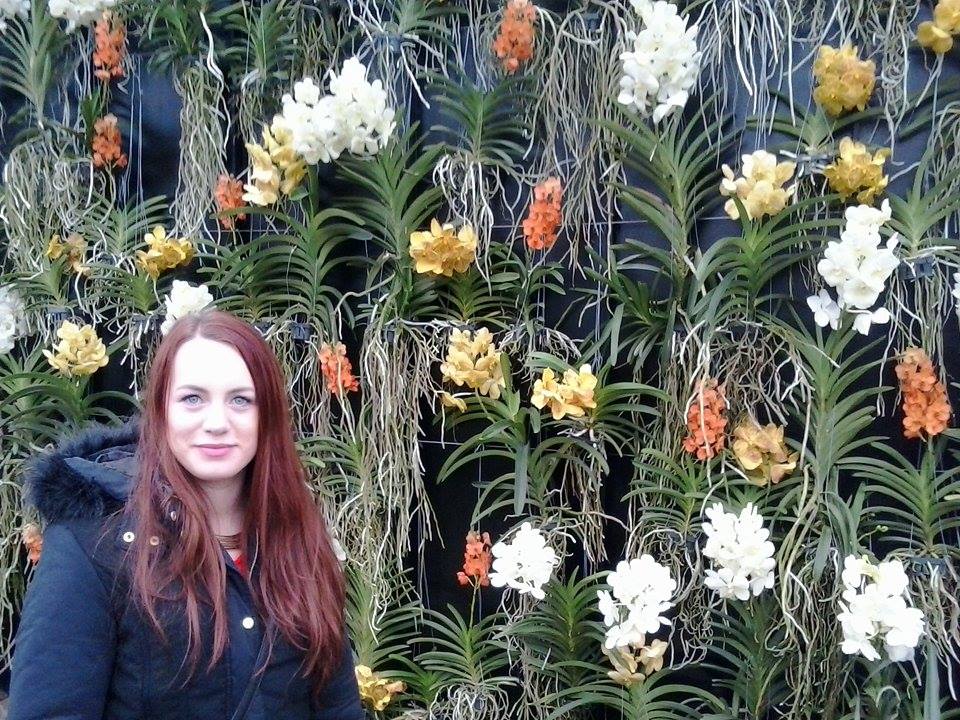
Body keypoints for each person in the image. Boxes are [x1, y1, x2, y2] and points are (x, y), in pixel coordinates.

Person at [7, 310, 364, 720]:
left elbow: (336, 704)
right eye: (192, 399)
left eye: (241, 400)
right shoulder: (95, 546)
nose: (217, 423)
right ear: (161, 410)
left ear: (267, 415)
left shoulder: (296, 537)